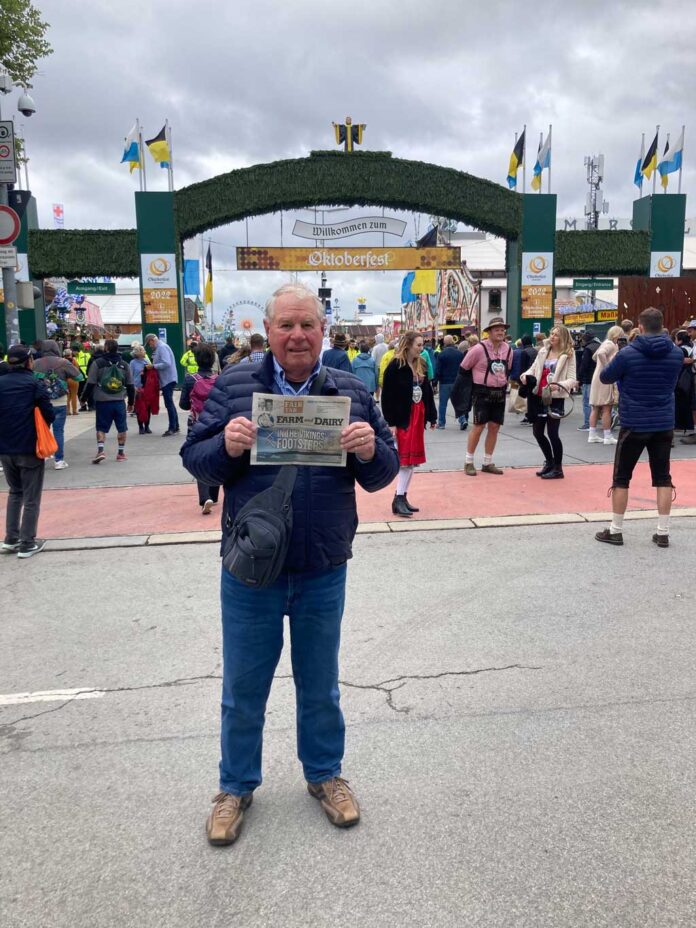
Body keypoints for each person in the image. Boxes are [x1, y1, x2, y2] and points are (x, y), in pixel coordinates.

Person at [181, 282, 399, 846]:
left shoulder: (351, 391)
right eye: (286, 325)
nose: (297, 335)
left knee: (321, 685)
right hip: (252, 568)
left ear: (324, 331)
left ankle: (325, 775)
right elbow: (195, 459)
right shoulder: (234, 386)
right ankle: (234, 787)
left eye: (307, 325)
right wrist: (225, 447)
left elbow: (383, 474)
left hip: (322, 564)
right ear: (269, 331)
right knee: (243, 688)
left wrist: (370, 449)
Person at [594, 307, 683, 548]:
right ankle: (663, 532)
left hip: (634, 421)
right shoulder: (676, 353)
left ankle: (616, 530)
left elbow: (605, 377)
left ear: (640, 327)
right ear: (661, 325)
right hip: (663, 421)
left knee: (622, 477)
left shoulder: (628, 353)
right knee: (663, 477)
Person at [0, 345, 55, 558]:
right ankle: (27, 543)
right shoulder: (34, 383)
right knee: (31, 496)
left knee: (15, 492)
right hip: (30, 447)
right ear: (29, 361)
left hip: (5, 448)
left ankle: (11, 538)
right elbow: (49, 413)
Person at [381, 331, 437, 516]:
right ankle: (398, 498)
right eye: (418, 345)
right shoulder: (395, 366)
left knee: (412, 462)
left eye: (422, 345)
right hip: (403, 417)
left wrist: (432, 415)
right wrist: (391, 422)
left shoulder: (421, 363)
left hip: (417, 415)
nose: (421, 348)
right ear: (408, 345)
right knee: (405, 461)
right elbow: (387, 396)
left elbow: (427, 392)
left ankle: (402, 497)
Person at [520, 324, 577, 479]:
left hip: (555, 398)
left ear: (563, 337)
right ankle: (549, 462)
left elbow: (572, 379)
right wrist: (525, 375)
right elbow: (533, 368)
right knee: (537, 432)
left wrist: (558, 385)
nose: (552, 337)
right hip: (538, 395)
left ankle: (558, 468)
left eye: (556, 334)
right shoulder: (543, 351)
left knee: (553, 433)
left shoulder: (568, 354)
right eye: (551, 333)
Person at [461, 317, 513, 476]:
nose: (500, 332)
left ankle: (487, 462)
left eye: (502, 329)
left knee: (495, 427)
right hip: (482, 391)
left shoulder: (508, 349)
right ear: (489, 332)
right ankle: (468, 462)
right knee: (478, 426)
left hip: (500, 391)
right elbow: (464, 368)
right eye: (497, 329)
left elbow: (508, 368)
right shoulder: (478, 349)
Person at [179, 343, 220, 514]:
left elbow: (183, 404)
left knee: (198, 458)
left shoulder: (190, 379)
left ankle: (205, 497)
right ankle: (214, 495)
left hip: (196, 424)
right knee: (216, 456)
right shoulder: (219, 379)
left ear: (196, 359)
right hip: (216, 423)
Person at [32, 340, 82, 471]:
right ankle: (59, 460)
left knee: (43, 430)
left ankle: (43, 456)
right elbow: (79, 377)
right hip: (60, 402)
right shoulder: (63, 362)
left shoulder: (36, 363)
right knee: (58, 431)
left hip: (42, 403)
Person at [84, 338, 134, 463]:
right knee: (122, 428)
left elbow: (90, 383)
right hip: (119, 401)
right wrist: (131, 402)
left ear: (106, 348)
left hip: (102, 401)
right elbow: (130, 385)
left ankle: (101, 451)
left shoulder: (98, 363)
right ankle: (120, 453)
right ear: (117, 349)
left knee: (101, 427)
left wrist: (83, 398)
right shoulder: (124, 365)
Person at [588, 326, 622, 445]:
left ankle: (592, 434)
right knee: (607, 407)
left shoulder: (605, 343)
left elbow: (595, 356)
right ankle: (607, 436)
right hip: (605, 378)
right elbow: (601, 354)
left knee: (595, 407)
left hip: (597, 377)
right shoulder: (611, 344)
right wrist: (608, 366)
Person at [144, 333, 180, 436]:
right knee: (170, 404)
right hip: (167, 379)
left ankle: (172, 428)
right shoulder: (160, 347)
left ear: (152, 340)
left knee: (169, 404)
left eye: (149, 344)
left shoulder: (162, 347)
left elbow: (166, 363)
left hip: (168, 379)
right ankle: (175, 426)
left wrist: (153, 366)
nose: (150, 346)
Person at [434, 335, 466, 428]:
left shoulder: (441, 354)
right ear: (453, 341)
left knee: (443, 404)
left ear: (444, 343)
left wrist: (435, 382)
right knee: (458, 402)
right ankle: (462, 420)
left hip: (444, 382)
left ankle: (441, 423)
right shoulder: (459, 354)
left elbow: (438, 370)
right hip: (457, 381)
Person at [131, 346, 158, 434]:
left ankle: (147, 426)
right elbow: (130, 376)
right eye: (142, 350)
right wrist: (133, 387)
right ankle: (140, 427)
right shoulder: (133, 363)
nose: (145, 351)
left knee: (148, 408)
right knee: (140, 408)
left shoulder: (146, 361)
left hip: (147, 388)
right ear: (138, 352)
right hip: (137, 388)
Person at [577, 331, 601, 430]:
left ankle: (588, 423)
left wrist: (579, 379)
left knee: (587, 402)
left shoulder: (588, 349)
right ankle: (611, 415)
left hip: (588, 378)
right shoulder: (600, 346)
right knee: (600, 400)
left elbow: (584, 365)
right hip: (600, 377)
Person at [679, 319, 696, 444]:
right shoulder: (694, 344)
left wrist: (687, 360)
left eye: (690, 331)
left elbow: (693, 360)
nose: (688, 334)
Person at [371, 333, 388, 400]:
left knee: (378, 383)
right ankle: (385, 397)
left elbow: (373, 359)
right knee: (385, 382)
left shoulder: (375, 348)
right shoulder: (387, 346)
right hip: (386, 367)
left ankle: (377, 398)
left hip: (378, 368)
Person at [63, 349, 80, 415]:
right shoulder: (74, 360)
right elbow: (77, 369)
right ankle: (74, 411)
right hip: (74, 380)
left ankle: (67, 411)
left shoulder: (62, 361)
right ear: (71, 354)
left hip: (66, 380)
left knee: (68, 396)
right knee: (74, 396)